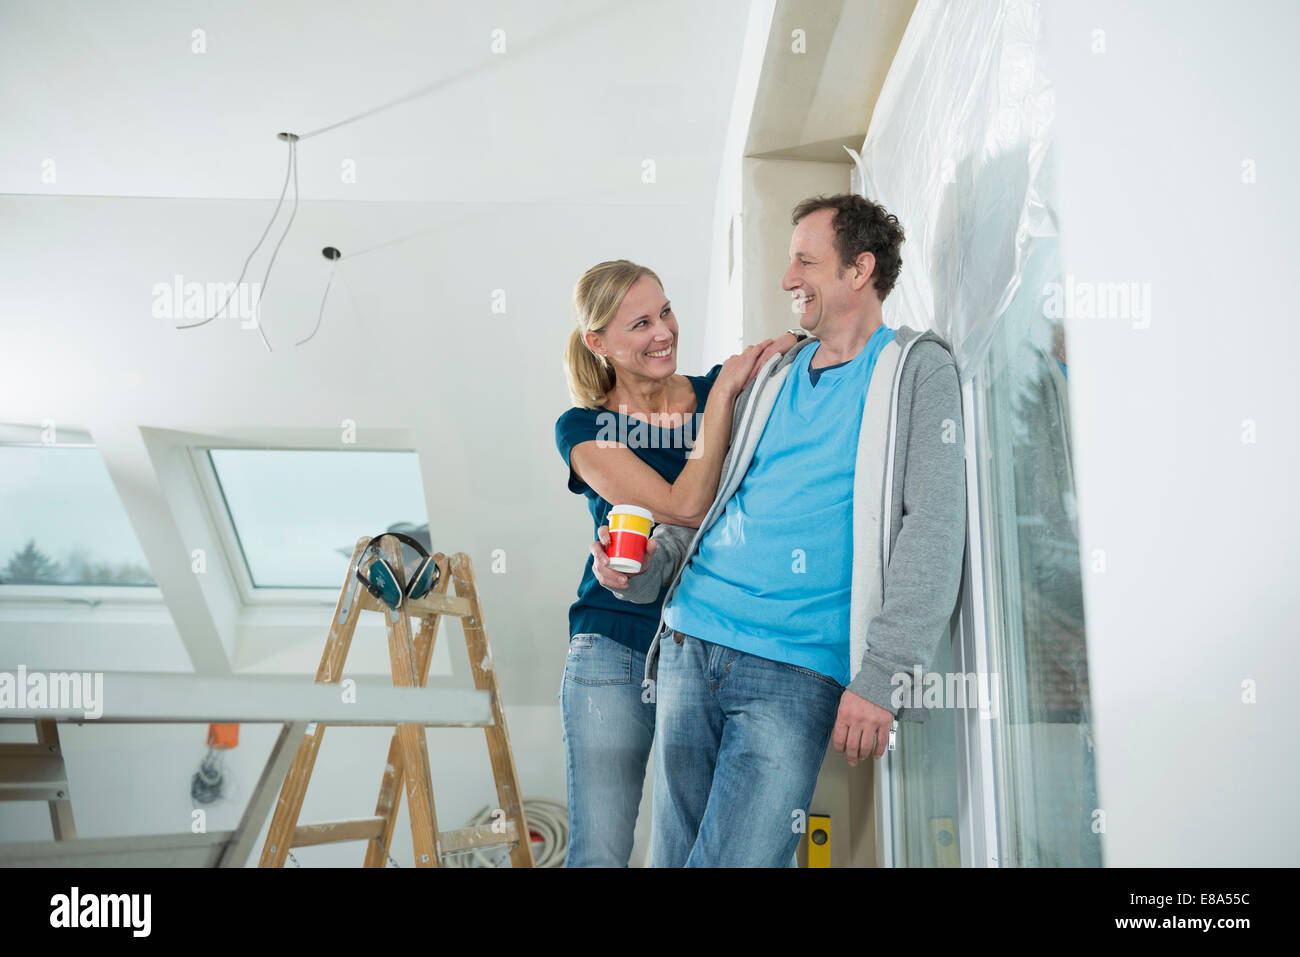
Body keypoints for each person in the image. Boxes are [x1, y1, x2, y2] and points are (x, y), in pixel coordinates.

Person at [591, 195, 968, 867]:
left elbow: (934, 528)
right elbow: (714, 505)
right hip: (690, 638)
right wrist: (641, 568)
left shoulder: (915, 371)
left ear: (860, 270)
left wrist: (883, 673)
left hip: (795, 669)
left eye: (805, 260)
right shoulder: (771, 374)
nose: (787, 277)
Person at [555, 259, 800, 866]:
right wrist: (721, 397)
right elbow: (684, 506)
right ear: (599, 343)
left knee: (697, 842)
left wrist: (739, 375)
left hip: (707, 643)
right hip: (615, 642)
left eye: (665, 311)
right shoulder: (585, 428)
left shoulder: (715, 385)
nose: (663, 332)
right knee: (602, 851)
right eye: (639, 323)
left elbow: (800, 346)